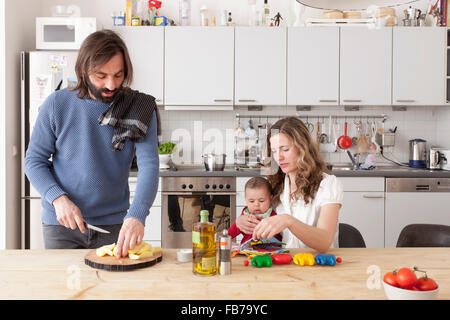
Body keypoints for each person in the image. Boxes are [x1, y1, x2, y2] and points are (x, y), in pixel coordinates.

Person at [24, 30, 159, 258]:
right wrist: (58, 199)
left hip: (114, 225)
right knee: (65, 291)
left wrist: (137, 215)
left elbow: (149, 166)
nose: (111, 84)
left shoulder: (140, 108)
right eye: (101, 75)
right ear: (84, 71)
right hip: (62, 224)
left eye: (118, 75)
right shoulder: (57, 104)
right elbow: (34, 161)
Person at [235, 117, 343, 253]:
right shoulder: (275, 185)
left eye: (285, 149)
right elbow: (257, 211)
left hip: (318, 264)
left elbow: (325, 241)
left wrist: (288, 221)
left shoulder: (328, 184)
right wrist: (241, 222)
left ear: (302, 148)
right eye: (274, 151)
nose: (278, 157)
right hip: (283, 262)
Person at [228, 177, 281, 244]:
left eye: (261, 201)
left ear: (270, 198)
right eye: (252, 201)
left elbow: (279, 238)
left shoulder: (274, 216)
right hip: (247, 251)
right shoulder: (245, 215)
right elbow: (230, 233)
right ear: (245, 199)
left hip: (270, 252)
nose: (256, 204)